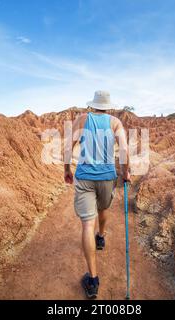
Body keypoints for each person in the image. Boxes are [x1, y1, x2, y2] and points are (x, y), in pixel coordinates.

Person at [64, 90, 130, 299]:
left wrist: (66, 169)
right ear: (108, 106)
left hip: (84, 177)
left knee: (86, 225)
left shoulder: (83, 119)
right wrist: (125, 172)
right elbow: (125, 151)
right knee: (103, 208)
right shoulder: (115, 122)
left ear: (92, 105)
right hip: (107, 177)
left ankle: (93, 280)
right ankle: (101, 237)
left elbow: (68, 146)